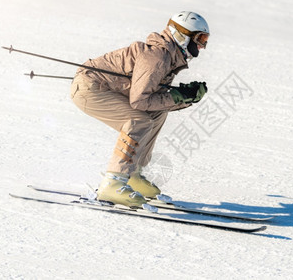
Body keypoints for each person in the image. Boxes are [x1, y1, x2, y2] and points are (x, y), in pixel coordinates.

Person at [70, 11, 210, 208]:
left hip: (104, 88)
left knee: (157, 113)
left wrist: (185, 97)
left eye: (205, 39)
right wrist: (178, 96)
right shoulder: (158, 57)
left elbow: (155, 100)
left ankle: (133, 173)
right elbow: (140, 101)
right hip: (89, 88)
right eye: (199, 39)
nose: (202, 46)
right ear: (182, 35)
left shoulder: (169, 56)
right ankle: (112, 183)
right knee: (138, 120)